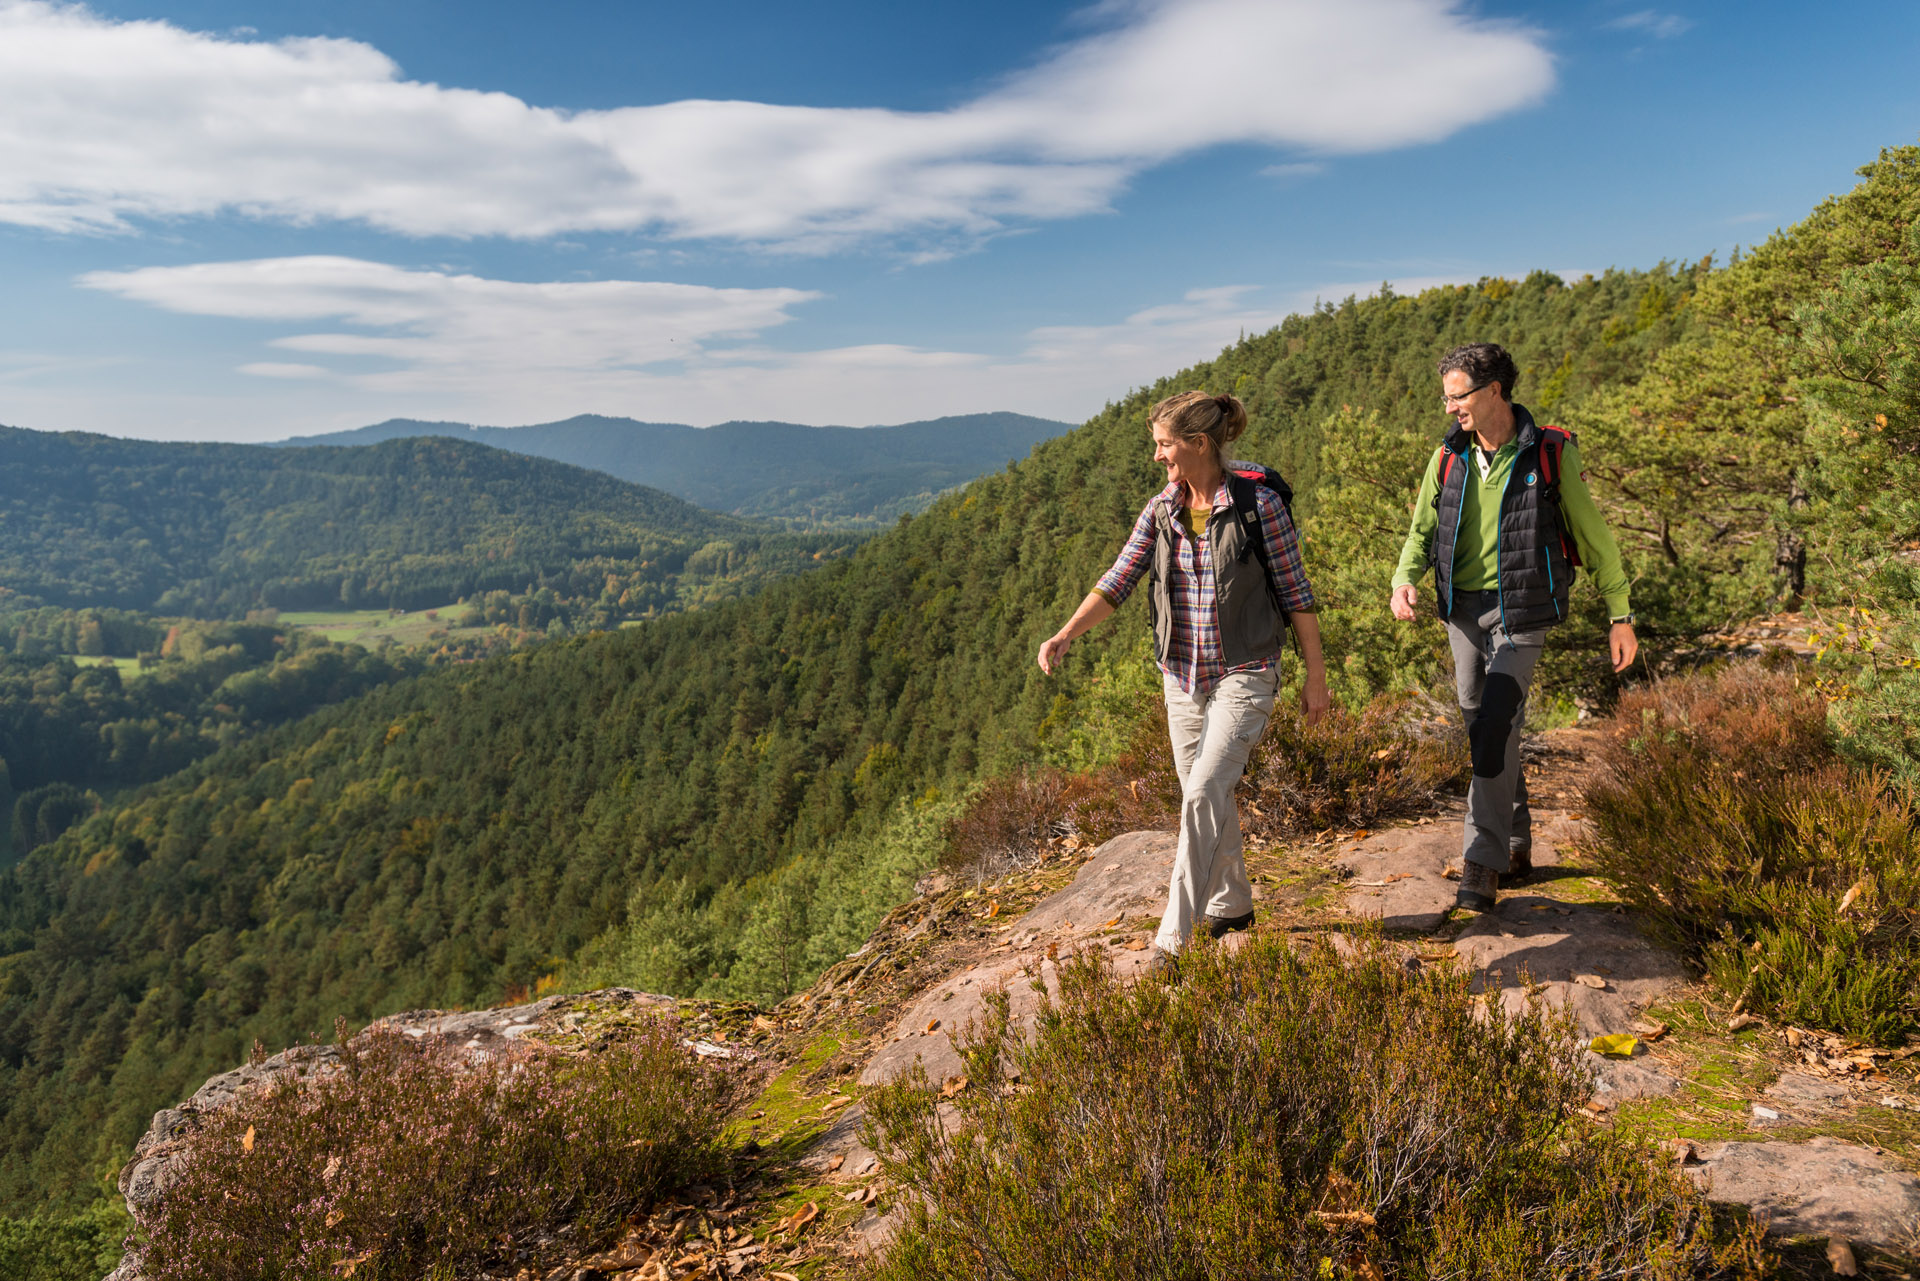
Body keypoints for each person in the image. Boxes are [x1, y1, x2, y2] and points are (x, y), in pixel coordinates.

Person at [1038, 390, 1329, 969]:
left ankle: (1174, 937)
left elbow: (1297, 595)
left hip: (1245, 672)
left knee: (1200, 794)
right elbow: (1120, 578)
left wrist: (1315, 677)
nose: (1157, 456)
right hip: (1181, 675)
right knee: (1207, 795)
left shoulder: (1258, 506)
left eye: (1164, 444)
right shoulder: (1162, 508)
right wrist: (1067, 632)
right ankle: (1233, 903)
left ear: (1199, 444)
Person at [1389, 342, 1637, 912]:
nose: (1451, 408)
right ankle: (1518, 844)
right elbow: (1421, 532)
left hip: (1522, 610)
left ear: (1495, 390)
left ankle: (1483, 859)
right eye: (1447, 398)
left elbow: (1594, 535)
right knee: (1483, 724)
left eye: (1459, 396)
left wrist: (1618, 614)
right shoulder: (1447, 458)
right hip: (1462, 611)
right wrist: (1405, 579)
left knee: (1495, 720)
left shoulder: (1546, 454)